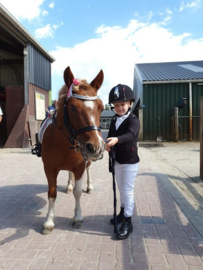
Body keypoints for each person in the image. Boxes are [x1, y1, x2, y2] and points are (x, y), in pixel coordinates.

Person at [106, 84, 140, 240]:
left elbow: (131, 135)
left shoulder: (133, 120)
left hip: (129, 161)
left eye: (123, 104)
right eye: (116, 105)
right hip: (117, 160)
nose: (119, 108)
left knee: (127, 190)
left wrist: (117, 140)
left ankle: (128, 221)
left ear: (130, 104)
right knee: (121, 189)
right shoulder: (114, 120)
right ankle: (122, 212)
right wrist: (107, 146)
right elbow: (110, 136)